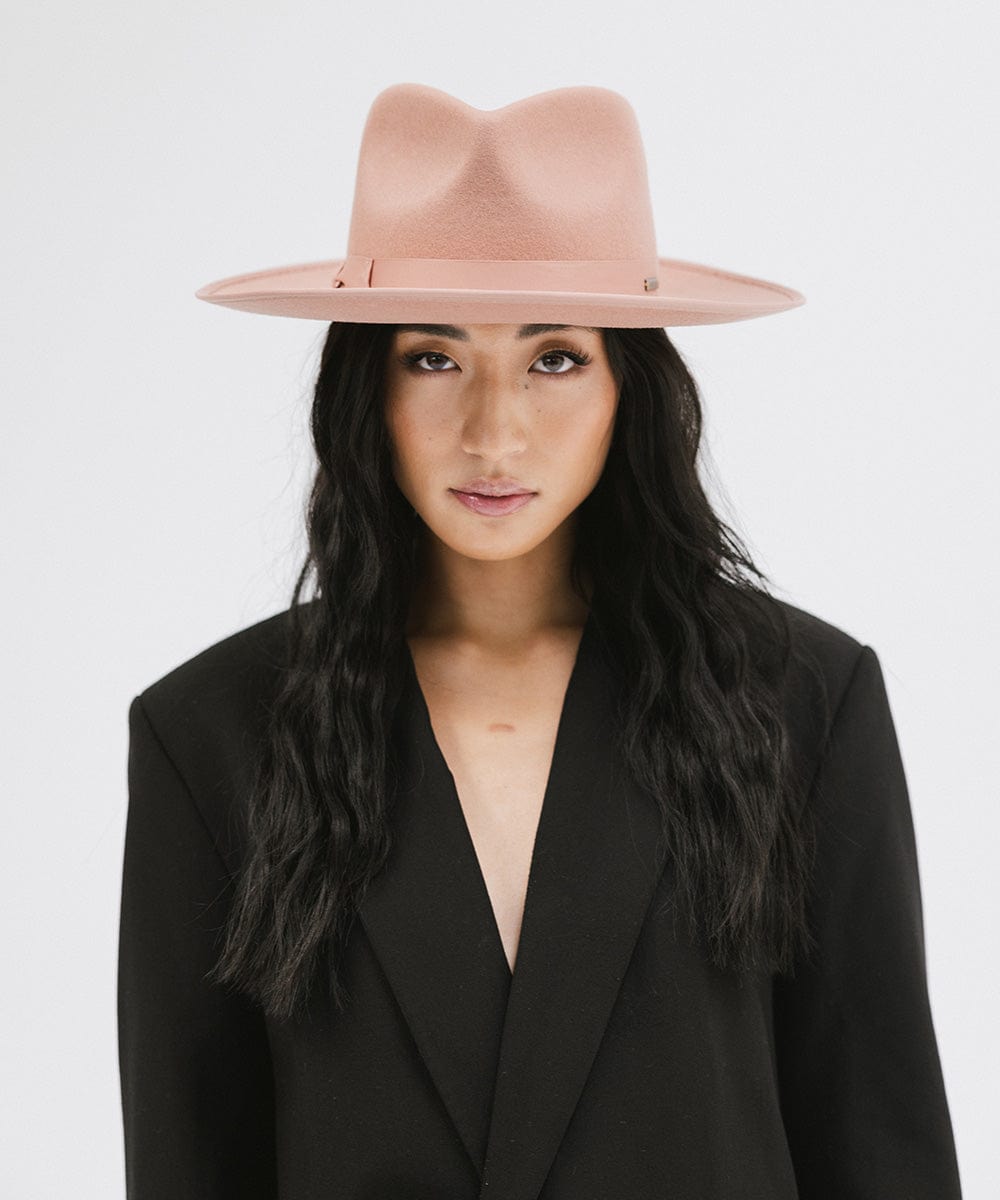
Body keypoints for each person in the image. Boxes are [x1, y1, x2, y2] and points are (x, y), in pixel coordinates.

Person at [117, 83, 963, 1199]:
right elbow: (191, 1162)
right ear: (361, 391)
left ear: (631, 388)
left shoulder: (800, 699)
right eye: (432, 356)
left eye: (554, 356)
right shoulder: (213, 732)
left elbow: (879, 1139)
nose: (493, 429)